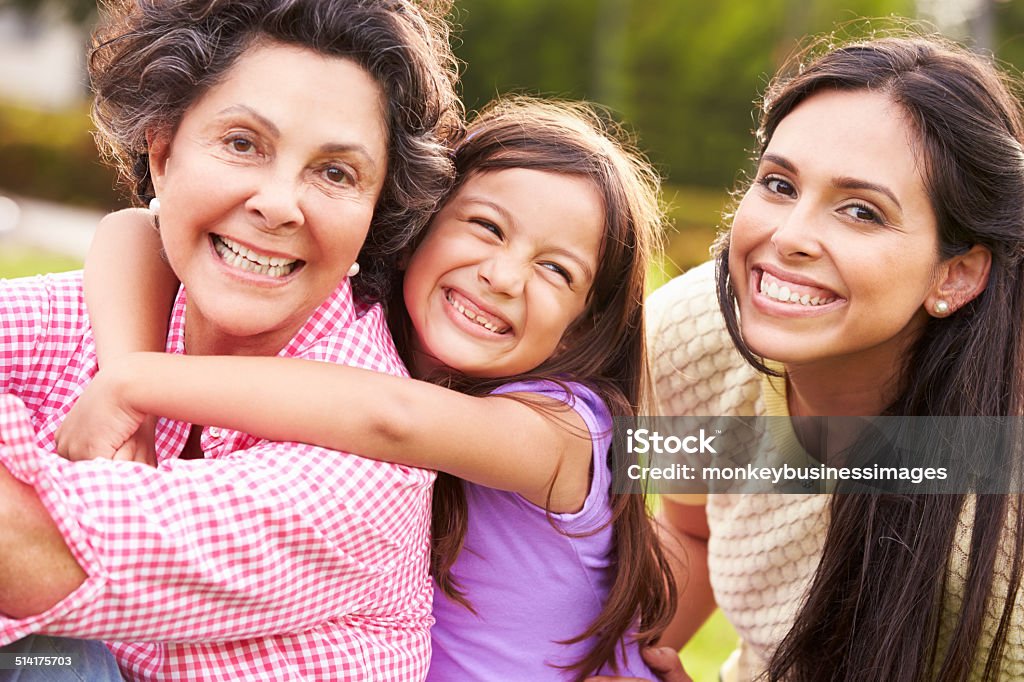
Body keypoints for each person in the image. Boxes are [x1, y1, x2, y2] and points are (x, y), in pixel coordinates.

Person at [55, 97, 678, 681]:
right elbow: (138, 230)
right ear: (418, 227)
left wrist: (139, 384)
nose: (505, 276)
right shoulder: (361, 329)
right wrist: (125, 378)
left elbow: (395, 419)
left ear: (579, 329)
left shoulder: (565, 431)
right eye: (487, 227)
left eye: (556, 270)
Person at [0, 0, 462, 679]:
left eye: (336, 173)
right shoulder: (100, 310)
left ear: (375, 214)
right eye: (243, 143)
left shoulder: (370, 465)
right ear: (162, 152)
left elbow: (31, 553)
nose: (278, 204)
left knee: (48, 658)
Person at [644, 33, 1024, 681]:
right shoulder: (694, 335)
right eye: (779, 183)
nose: (787, 237)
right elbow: (693, 529)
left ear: (954, 275)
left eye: (860, 211)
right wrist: (624, 662)